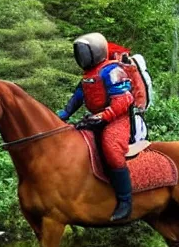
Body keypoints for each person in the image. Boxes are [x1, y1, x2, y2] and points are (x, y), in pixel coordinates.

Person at [57, 33, 141, 222]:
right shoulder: (88, 75)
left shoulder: (111, 70)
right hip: (95, 118)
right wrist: (63, 115)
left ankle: (125, 201)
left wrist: (104, 115)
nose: (80, 57)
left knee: (111, 149)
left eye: (83, 52)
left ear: (95, 52)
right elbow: (78, 97)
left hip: (117, 119)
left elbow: (124, 100)